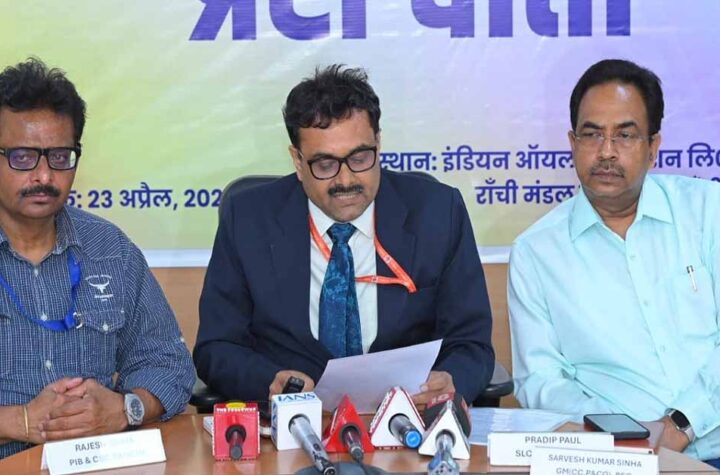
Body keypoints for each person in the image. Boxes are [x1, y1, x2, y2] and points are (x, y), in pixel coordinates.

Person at [195, 64, 494, 406]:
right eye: (325, 165)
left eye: (360, 158)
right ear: (297, 161)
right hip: (293, 423)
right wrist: (268, 382)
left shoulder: (437, 213)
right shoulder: (248, 219)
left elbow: (471, 343)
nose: (346, 180)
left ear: (378, 144)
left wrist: (451, 379)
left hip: (406, 417)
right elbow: (216, 347)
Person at [508, 59, 720, 466]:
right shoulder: (536, 253)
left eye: (624, 135)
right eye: (592, 135)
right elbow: (540, 381)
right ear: (572, 143)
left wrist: (680, 424)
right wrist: (621, 434)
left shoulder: (708, 212)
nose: (606, 152)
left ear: (653, 146)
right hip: (617, 461)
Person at [0, 58, 195, 459]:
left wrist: (125, 409)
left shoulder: (110, 249)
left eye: (60, 156)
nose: (43, 176)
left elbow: (170, 365)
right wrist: (20, 421)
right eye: (22, 157)